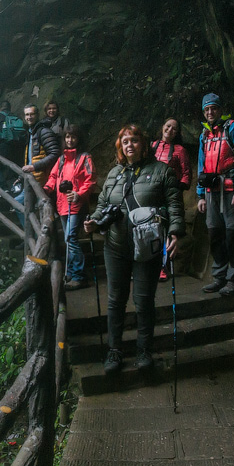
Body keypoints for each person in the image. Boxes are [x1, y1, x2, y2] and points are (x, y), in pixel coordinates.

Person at [85, 124, 184, 374]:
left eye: (134, 140)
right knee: (115, 300)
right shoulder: (113, 174)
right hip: (115, 246)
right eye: (125, 141)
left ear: (144, 143)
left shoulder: (162, 172)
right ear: (121, 147)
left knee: (143, 301)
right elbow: (102, 204)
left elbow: (174, 205)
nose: (130, 145)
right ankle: (114, 351)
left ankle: (143, 350)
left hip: (147, 248)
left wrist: (174, 233)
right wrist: (93, 222)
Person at [196, 93, 234, 297]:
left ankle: (233, 279)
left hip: (229, 190)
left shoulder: (233, 128)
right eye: (207, 109)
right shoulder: (204, 135)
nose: (210, 112)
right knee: (215, 235)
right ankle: (219, 277)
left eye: (214, 108)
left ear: (220, 109)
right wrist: (200, 195)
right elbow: (202, 165)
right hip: (211, 192)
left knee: (232, 235)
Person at [46, 124, 95, 290]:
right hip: (62, 204)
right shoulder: (61, 159)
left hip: (76, 204)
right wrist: (46, 189)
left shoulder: (84, 158)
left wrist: (79, 194)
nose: (69, 140)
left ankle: (78, 276)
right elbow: (53, 176)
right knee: (69, 240)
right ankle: (74, 273)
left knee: (70, 239)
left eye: (73, 137)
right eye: (67, 137)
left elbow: (90, 179)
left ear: (78, 139)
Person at [152, 118, 192, 280]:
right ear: (162, 127)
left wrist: (177, 189)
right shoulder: (152, 146)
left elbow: (186, 173)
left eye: (174, 129)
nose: (170, 130)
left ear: (177, 133)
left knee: (166, 230)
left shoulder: (180, 150)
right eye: (168, 126)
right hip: (151, 194)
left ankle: (163, 266)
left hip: (169, 197)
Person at [14, 104, 62, 225]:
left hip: (43, 179)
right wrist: (21, 176)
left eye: (32, 114)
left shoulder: (44, 131)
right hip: (32, 178)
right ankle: (32, 238)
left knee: (44, 210)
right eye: (27, 115)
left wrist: (35, 167)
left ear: (37, 115)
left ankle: (37, 239)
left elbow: (55, 153)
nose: (29, 117)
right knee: (19, 204)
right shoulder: (31, 133)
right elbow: (30, 159)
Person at [0, 100, 27, 181]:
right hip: (18, 146)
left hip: (4, 145)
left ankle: (3, 187)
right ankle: (14, 189)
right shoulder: (16, 116)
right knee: (13, 168)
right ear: (10, 108)